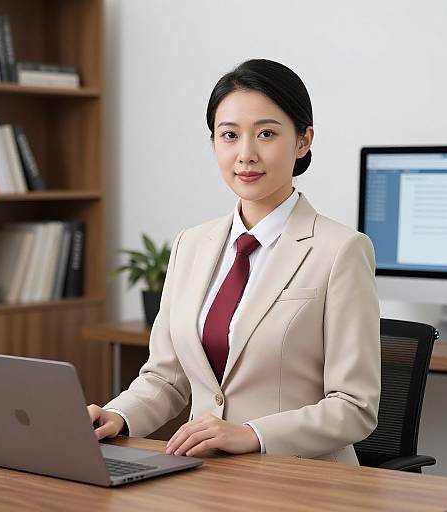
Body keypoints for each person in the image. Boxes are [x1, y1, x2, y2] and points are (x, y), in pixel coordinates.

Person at [87, 59, 381, 464]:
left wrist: (251, 434)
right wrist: (117, 415)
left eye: (266, 134)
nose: (246, 154)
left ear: (302, 141)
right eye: (229, 135)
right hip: (205, 475)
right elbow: (165, 379)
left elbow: (355, 407)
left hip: (302, 480)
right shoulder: (190, 245)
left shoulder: (341, 250)